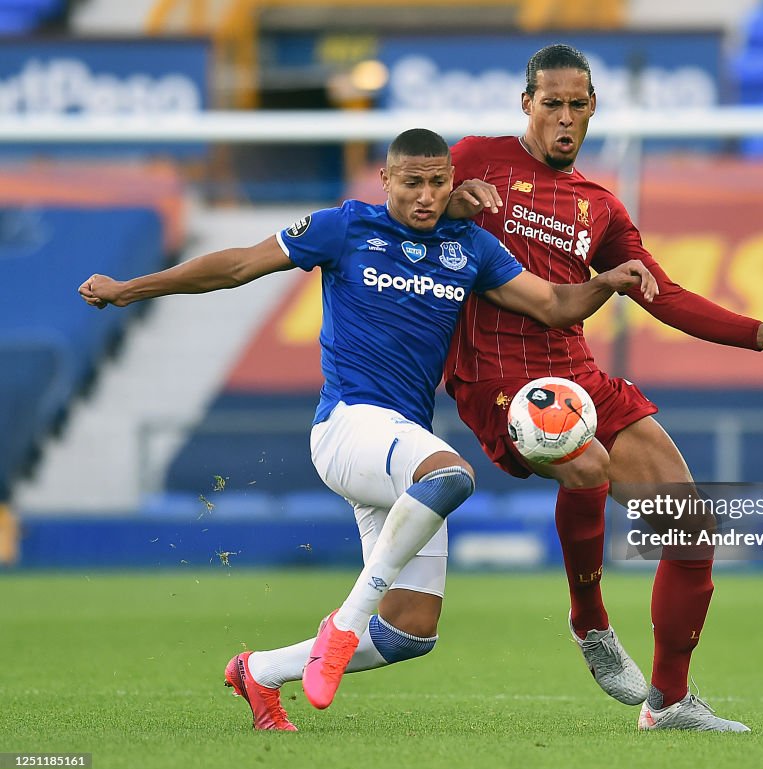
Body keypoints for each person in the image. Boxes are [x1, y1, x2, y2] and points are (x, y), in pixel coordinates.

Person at [78, 128, 656, 731]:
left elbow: (552, 305)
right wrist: (129, 290)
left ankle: (259, 672)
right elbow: (239, 265)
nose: (426, 196)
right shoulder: (345, 227)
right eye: (412, 183)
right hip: (348, 427)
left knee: (411, 631)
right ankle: (345, 623)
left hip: (400, 447)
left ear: (452, 182)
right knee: (452, 475)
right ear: (385, 181)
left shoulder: (471, 248)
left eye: (438, 182)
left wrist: (602, 283)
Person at [444, 44, 763, 733]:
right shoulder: (476, 158)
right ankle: (590, 622)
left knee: (691, 528)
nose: (565, 117)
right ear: (526, 104)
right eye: (552, 103)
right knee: (584, 462)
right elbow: (402, 209)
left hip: (578, 374)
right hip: (498, 376)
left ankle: (670, 701)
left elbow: (664, 294)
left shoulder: (599, 206)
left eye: (578, 104)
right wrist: (449, 205)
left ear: (592, 109)